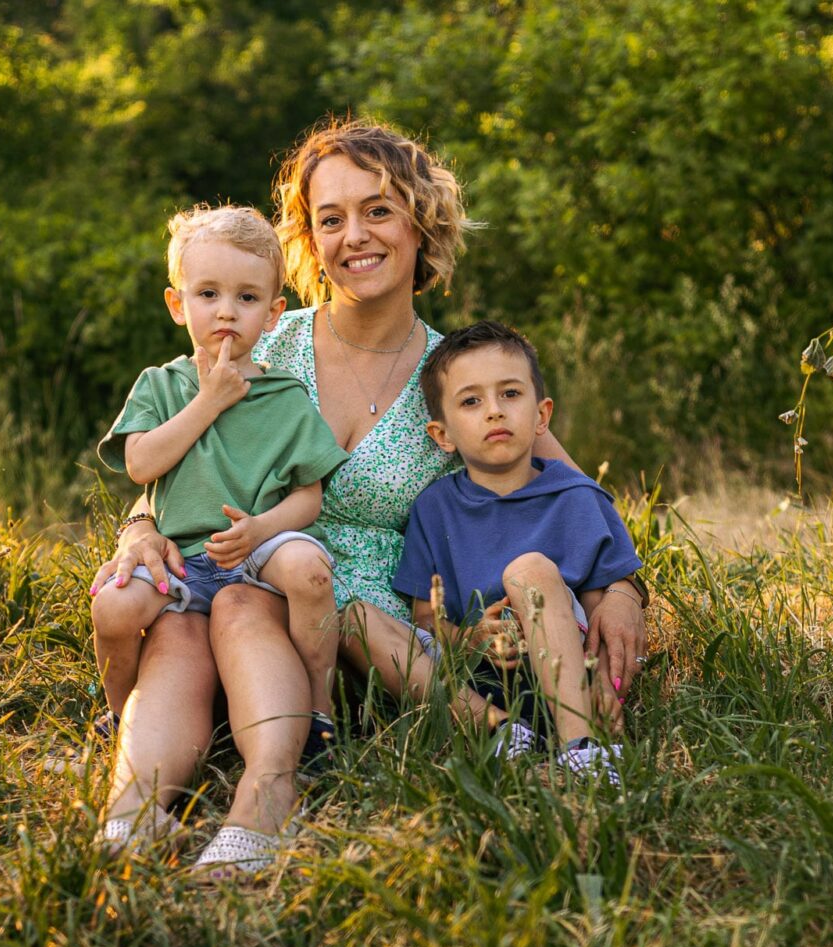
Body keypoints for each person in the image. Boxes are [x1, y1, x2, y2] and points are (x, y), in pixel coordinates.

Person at [90, 119, 649, 873]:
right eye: (331, 219)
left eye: (378, 210)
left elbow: (568, 488)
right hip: (243, 583)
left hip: (379, 634)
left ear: (422, 221)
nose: (354, 235)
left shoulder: (457, 377)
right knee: (197, 622)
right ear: (309, 241)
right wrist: (138, 528)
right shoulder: (261, 337)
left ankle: (280, 790)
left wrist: (621, 590)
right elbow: (179, 456)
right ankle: (137, 813)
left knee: (261, 605)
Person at [88, 205, 348, 868]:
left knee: (259, 597)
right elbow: (140, 465)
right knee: (147, 622)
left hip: (253, 566)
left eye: (247, 298)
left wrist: (261, 529)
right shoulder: (164, 385)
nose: (226, 312)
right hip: (182, 566)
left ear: (274, 313)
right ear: (178, 305)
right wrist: (210, 400)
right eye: (208, 294)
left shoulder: (285, 396)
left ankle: (282, 776)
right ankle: (132, 802)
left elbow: (308, 493)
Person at [393, 321, 637, 782]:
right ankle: (503, 733)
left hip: (569, 671)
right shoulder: (433, 508)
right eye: (471, 401)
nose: (494, 412)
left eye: (510, 394)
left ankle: (579, 748)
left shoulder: (576, 497)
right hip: (479, 681)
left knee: (530, 571)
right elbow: (426, 618)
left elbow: (604, 611)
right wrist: (469, 638)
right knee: (361, 619)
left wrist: (607, 685)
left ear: (542, 415)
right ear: (443, 435)